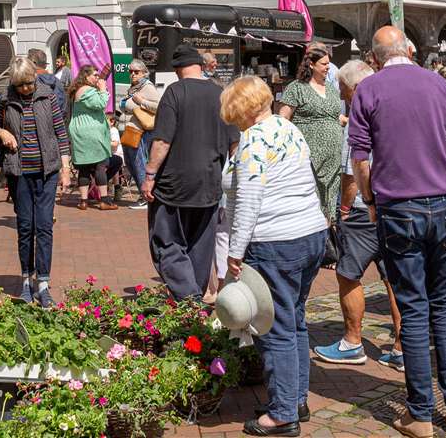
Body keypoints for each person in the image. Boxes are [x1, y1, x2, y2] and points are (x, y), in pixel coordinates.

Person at [348, 27, 446, 438]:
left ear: (375, 56)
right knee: (444, 303)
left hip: (398, 206)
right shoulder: (440, 85)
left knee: (415, 308)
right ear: (411, 49)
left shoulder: (369, 90)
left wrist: (368, 200)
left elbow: (361, 158)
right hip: (445, 203)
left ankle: (420, 413)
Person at [220, 75, 330, 437]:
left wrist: (235, 253)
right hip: (310, 232)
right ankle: (295, 397)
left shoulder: (253, 140)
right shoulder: (287, 127)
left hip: (276, 240)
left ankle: (283, 412)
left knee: (275, 327)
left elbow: (249, 201)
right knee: (295, 319)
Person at [314, 60, 405, 370]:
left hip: (364, 209)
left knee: (348, 272)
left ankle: (353, 342)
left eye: (342, 89)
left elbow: (353, 170)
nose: (342, 94)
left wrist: (342, 210)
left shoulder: (359, 115)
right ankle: (401, 347)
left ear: (353, 88)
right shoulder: (394, 108)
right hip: (395, 204)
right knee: (395, 277)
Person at [143, 45, 238, 303]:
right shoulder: (220, 94)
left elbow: (162, 140)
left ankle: (188, 296)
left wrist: (150, 174)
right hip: (210, 184)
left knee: (167, 242)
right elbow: (235, 143)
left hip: (174, 185)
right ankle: (192, 309)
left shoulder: (175, 92)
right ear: (199, 65)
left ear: (177, 69)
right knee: (200, 246)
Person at [0, 55, 71, 304]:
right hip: (19, 172)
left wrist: (66, 168)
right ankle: (26, 278)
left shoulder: (48, 96)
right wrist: (3, 132)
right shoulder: (6, 99)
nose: (26, 88)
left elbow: (60, 131)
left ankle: (44, 282)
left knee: (44, 226)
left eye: (28, 83)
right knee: (25, 227)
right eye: (20, 85)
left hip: (47, 171)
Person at [277, 42, 346, 225]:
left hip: (333, 160)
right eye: (324, 63)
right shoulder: (296, 88)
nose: (328, 67)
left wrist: (347, 121)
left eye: (328, 63)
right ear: (311, 64)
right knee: (311, 201)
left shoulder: (331, 89)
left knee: (330, 202)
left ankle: (328, 238)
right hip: (309, 158)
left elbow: (333, 116)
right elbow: (283, 120)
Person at [65, 64, 116, 210]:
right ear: (86, 76)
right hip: (90, 133)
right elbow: (100, 104)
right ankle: (104, 200)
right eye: (95, 75)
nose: (97, 77)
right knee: (100, 165)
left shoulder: (79, 89)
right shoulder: (86, 90)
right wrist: (102, 89)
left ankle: (83, 201)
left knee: (84, 167)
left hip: (81, 132)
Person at [118, 60, 159, 210]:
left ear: (143, 72)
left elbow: (159, 106)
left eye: (136, 72)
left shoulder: (147, 87)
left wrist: (141, 101)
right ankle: (143, 194)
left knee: (138, 163)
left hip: (140, 131)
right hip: (130, 130)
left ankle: (145, 197)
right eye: (130, 72)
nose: (133, 74)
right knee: (130, 163)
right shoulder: (134, 87)